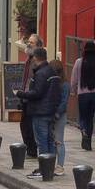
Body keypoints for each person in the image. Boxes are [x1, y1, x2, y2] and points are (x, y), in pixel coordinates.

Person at [14, 45, 59, 178]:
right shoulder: (52, 71)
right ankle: (50, 167)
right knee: (50, 141)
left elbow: (37, 93)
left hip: (40, 111)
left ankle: (44, 168)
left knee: (42, 141)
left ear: (36, 58)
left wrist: (21, 94)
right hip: (51, 111)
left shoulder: (40, 73)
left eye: (33, 57)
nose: (32, 60)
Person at [73, 40, 95, 152]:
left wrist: (74, 90)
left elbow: (74, 79)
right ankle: (88, 142)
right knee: (90, 118)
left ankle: (83, 131)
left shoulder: (79, 62)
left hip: (83, 94)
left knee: (82, 116)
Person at [18, 37, 39, 159]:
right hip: (25, 96)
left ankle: (32, 150)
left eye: (32, 42)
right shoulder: (29, 59)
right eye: (29, 42)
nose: (29, 44)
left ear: (38, 45)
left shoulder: (36, 61)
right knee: (24, 124)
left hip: (31, 97)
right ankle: (29, 148)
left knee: (29, 125)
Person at [51, 61, 70, 177]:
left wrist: (56, 114)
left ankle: (60, 166)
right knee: (53, 141)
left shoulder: (64, 85)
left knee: (58, 141)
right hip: (52, 114)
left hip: (59, 116)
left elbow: (63, 103)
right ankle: (53, 164)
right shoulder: (54, 83)